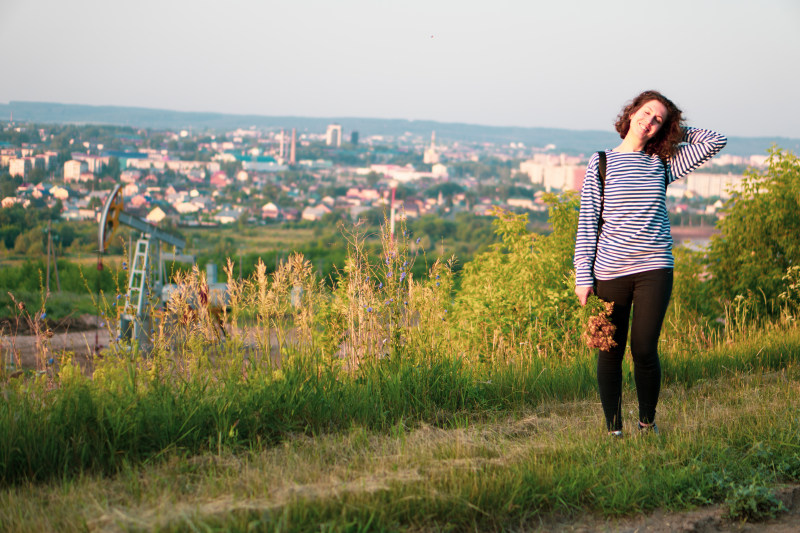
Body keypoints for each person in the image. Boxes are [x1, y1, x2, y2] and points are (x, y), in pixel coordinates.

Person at [573, 90, 726, 436]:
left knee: (644, 348)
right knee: (609, 350)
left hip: (655, 268)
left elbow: (716, 140)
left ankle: (647, 423)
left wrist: (676, 132)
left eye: (658, 119)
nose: (649, 121)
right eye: (646, 112)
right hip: (610, 272)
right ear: (631, 113)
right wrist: (583, 276)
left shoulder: (663, 163)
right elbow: (587, 223)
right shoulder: (601, 162)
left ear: (663, 128)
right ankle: (613, 429)